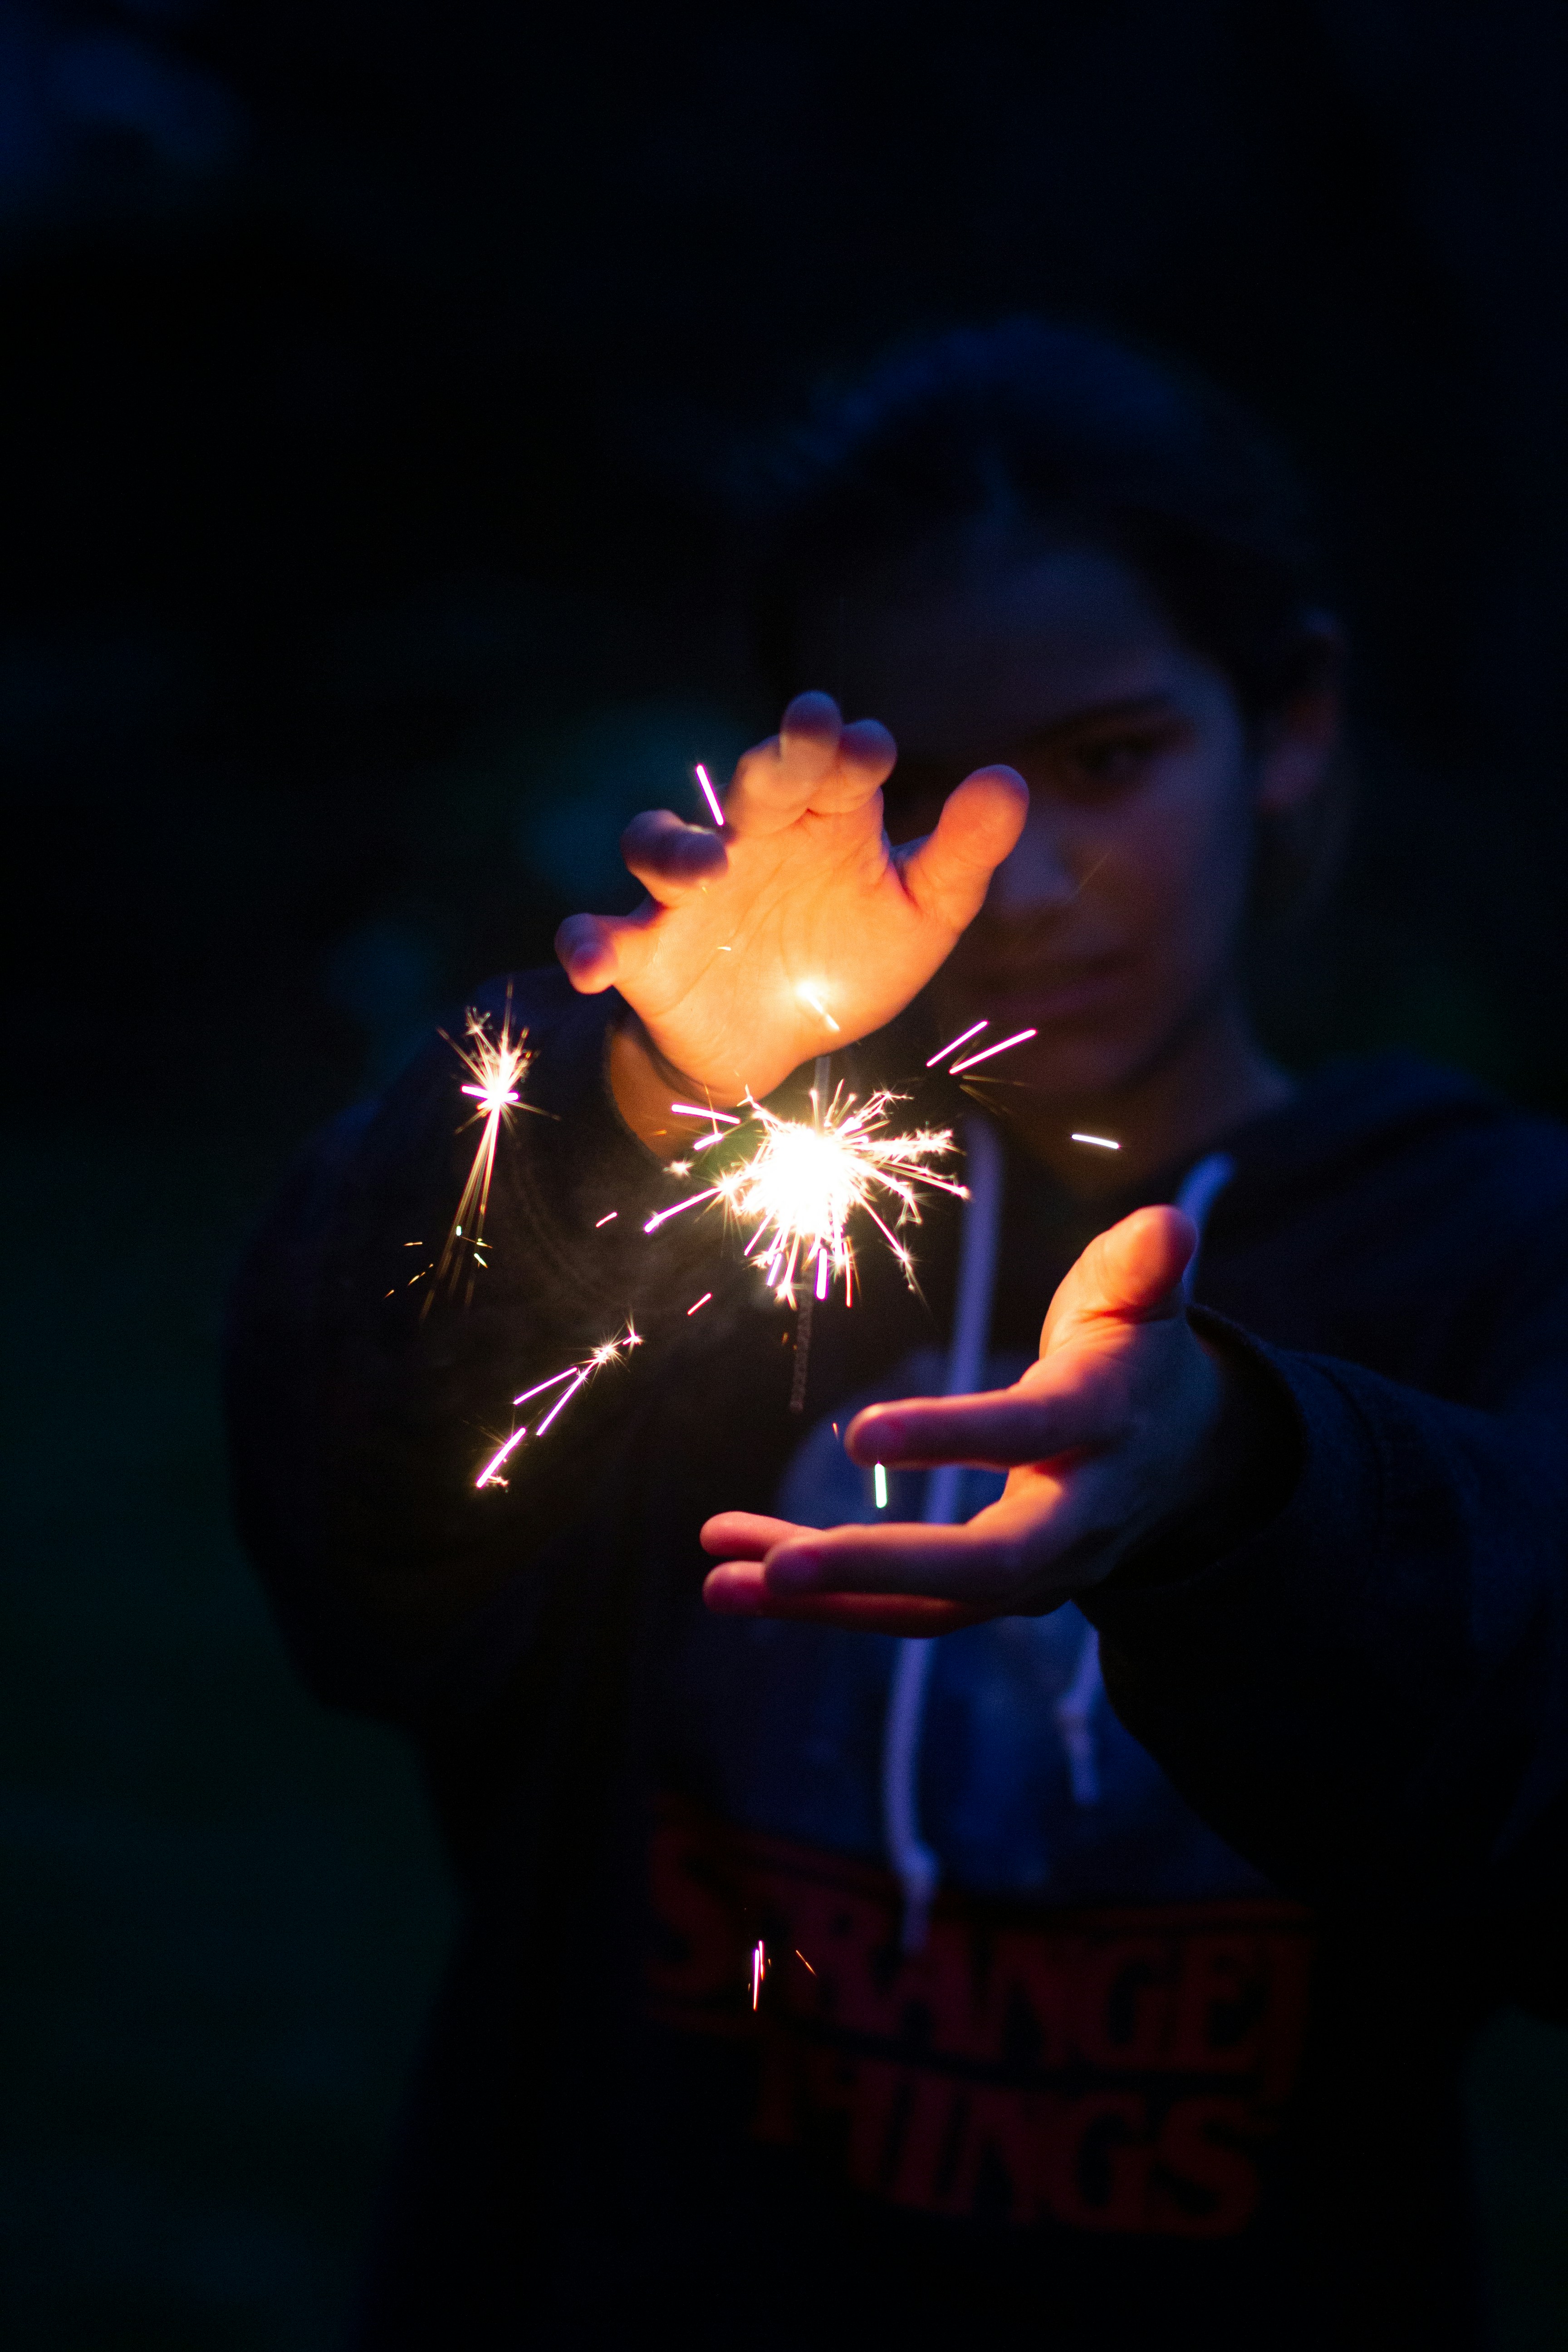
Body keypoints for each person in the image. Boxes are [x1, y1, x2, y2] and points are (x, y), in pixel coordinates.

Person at [224, 322, 1568, 2352]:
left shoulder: (1485, 1247)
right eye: (927, 788)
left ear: (1286, 723)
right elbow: (361, 1556)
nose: (1019, 871)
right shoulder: (686, 1210)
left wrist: (1247, 1488)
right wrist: (635, 1098)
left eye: (1111, 758)